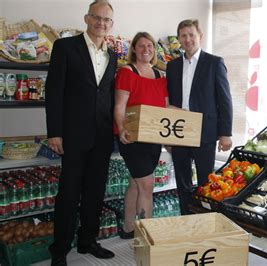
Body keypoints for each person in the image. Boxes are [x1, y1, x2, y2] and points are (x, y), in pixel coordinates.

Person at [45, 1, 116, 265]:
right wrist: (55, 132)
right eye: (96, 18)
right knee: (69, 193)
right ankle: (60, 251)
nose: (101, 23)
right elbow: (53, 92)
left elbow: (106, 95)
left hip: (102, 136)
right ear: (87, 19)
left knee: (95, 191)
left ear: (111, 24)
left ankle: (87, 241)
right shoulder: (65, 47)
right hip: (73, 135)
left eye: (106, 19)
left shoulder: (113, 55)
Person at [166, 19, 233, 215]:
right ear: (179, 39)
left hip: (205, 132)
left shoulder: (214, 63)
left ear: (200, 36)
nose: (187, 39)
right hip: (179, 132)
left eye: (191, 35)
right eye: (183, 35)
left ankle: (206, 222)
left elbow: (225, 100)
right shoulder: (172, 66)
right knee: (182, 181)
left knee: (206, 182)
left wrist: (225, 133)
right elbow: (170, 101)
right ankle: (187, 219)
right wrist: (167, 136)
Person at [114, 32, 171, 239]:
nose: (146, 50)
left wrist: (182, 120)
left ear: (154, 50)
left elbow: (165, 108)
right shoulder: (127, 72)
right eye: (141, 46)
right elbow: (120, 105)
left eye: (150, 46)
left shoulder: (160, 76)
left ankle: (128, 228)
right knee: (147, 185)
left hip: (153, 138)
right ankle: (145, 238)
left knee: (135, 183)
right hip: (132, 138)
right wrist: (121, 128)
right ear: (134, 49)